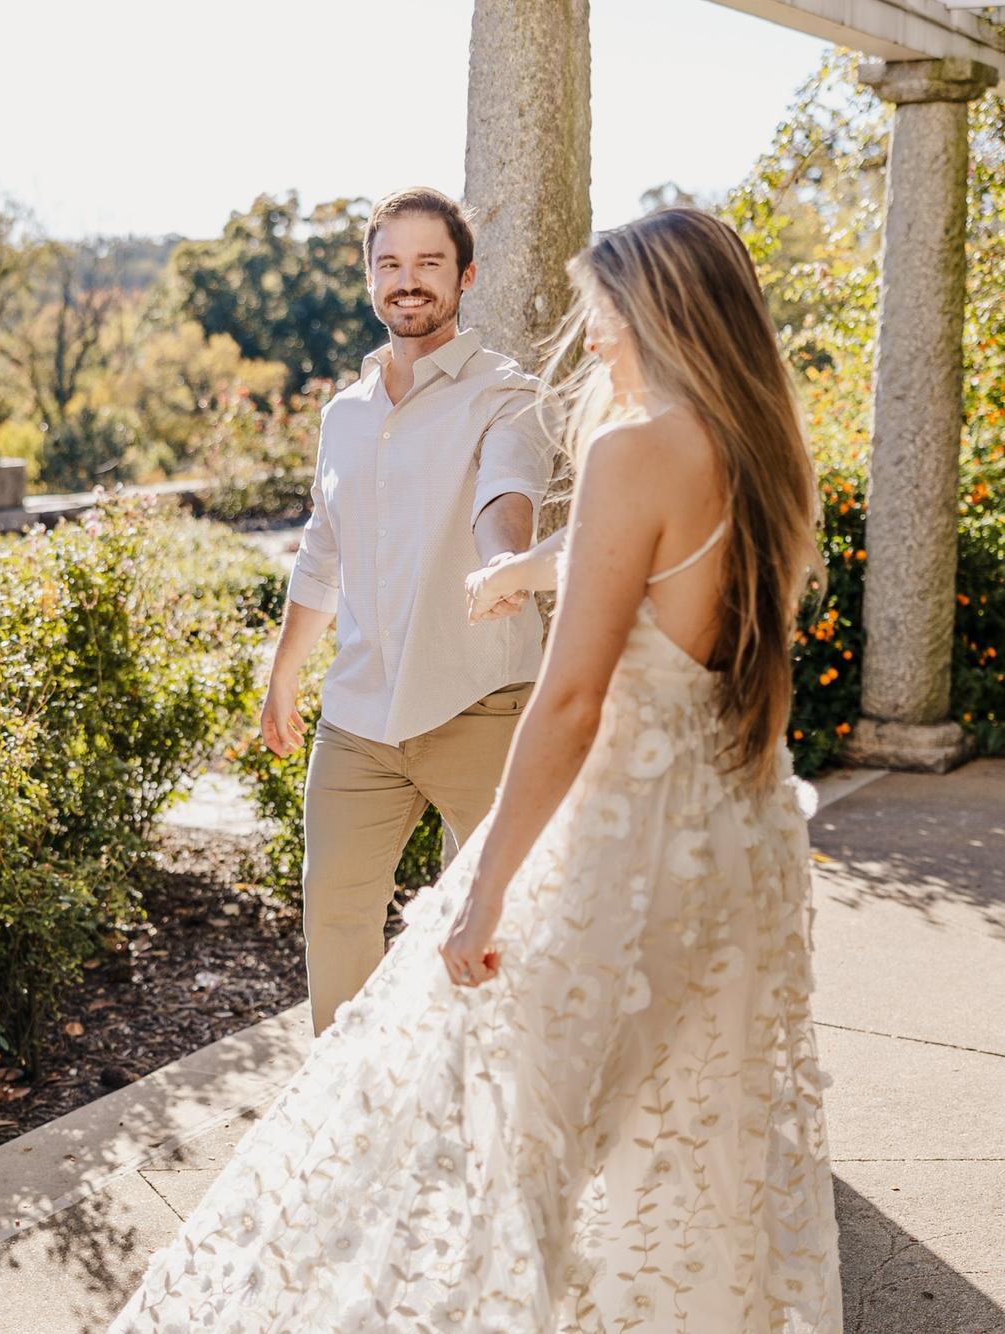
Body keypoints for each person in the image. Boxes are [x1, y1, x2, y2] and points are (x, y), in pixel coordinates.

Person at [109, 207, 841, 1332]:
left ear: (658, 311)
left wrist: (486, 886)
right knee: (688, 1136)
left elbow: (571, 696)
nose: (590, 336)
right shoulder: (762, 457)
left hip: (617, 838)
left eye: (602, 311)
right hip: (734, 836)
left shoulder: (630, 447)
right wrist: (523, 575)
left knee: (516, 1134)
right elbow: (651, 577)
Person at [261, 186, 556, 1035]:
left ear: (466, 276)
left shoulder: (507, 394)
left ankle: (495, 1094)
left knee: (503, 928)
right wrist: (284, 673)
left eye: (429, 262)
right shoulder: (344, 416)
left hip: (482, 704)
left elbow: (507, 492)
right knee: (335, 918)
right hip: (358, 717)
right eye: (390, 264)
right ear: (370, 280)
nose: (409, 281)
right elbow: (323, 550)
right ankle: (345, 1102)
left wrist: (503, 564)